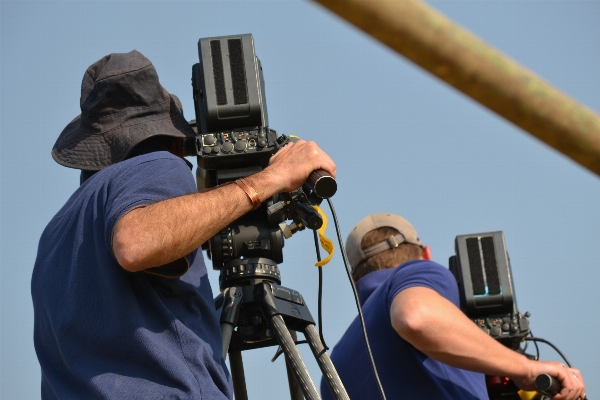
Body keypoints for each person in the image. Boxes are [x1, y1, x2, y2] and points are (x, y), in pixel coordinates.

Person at [31, 50, 336, 399]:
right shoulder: (156, 164)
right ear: (175, 139)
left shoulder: (55, 234)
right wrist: (271, 179)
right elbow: (136, 242)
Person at [320, 213, 586, 400]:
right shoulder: (416, 272)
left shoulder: (333, 369)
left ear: (355, 281)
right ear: (426, 254)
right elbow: (415, 316)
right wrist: (526, 369)